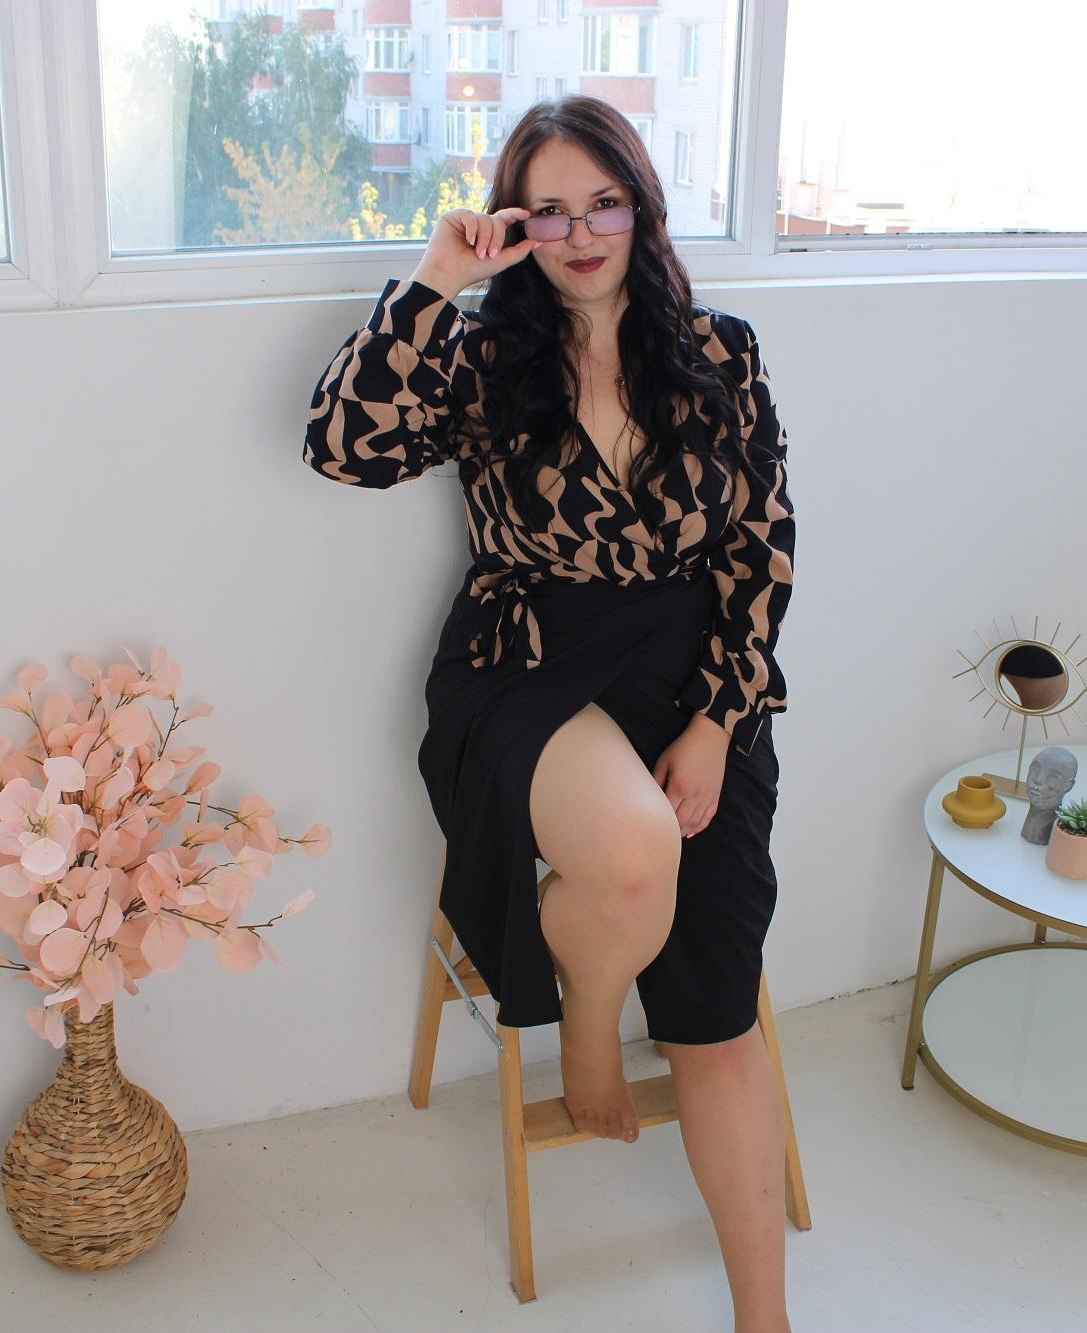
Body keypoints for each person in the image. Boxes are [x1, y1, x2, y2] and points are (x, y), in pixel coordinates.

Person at [303, 95, 796, 1330]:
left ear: (642, 209)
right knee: (631, 850)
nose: (579, 235)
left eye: (603, 205)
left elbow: (760, 553)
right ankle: (586, 1025)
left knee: (717, 1009)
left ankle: (765, 1317)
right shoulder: (484, 357)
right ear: (513, 224)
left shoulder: (721, 352)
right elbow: (341, 447)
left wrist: (714, 724)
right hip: (523, 663)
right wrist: (435, 278)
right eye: (550, 211)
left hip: (689, 676)